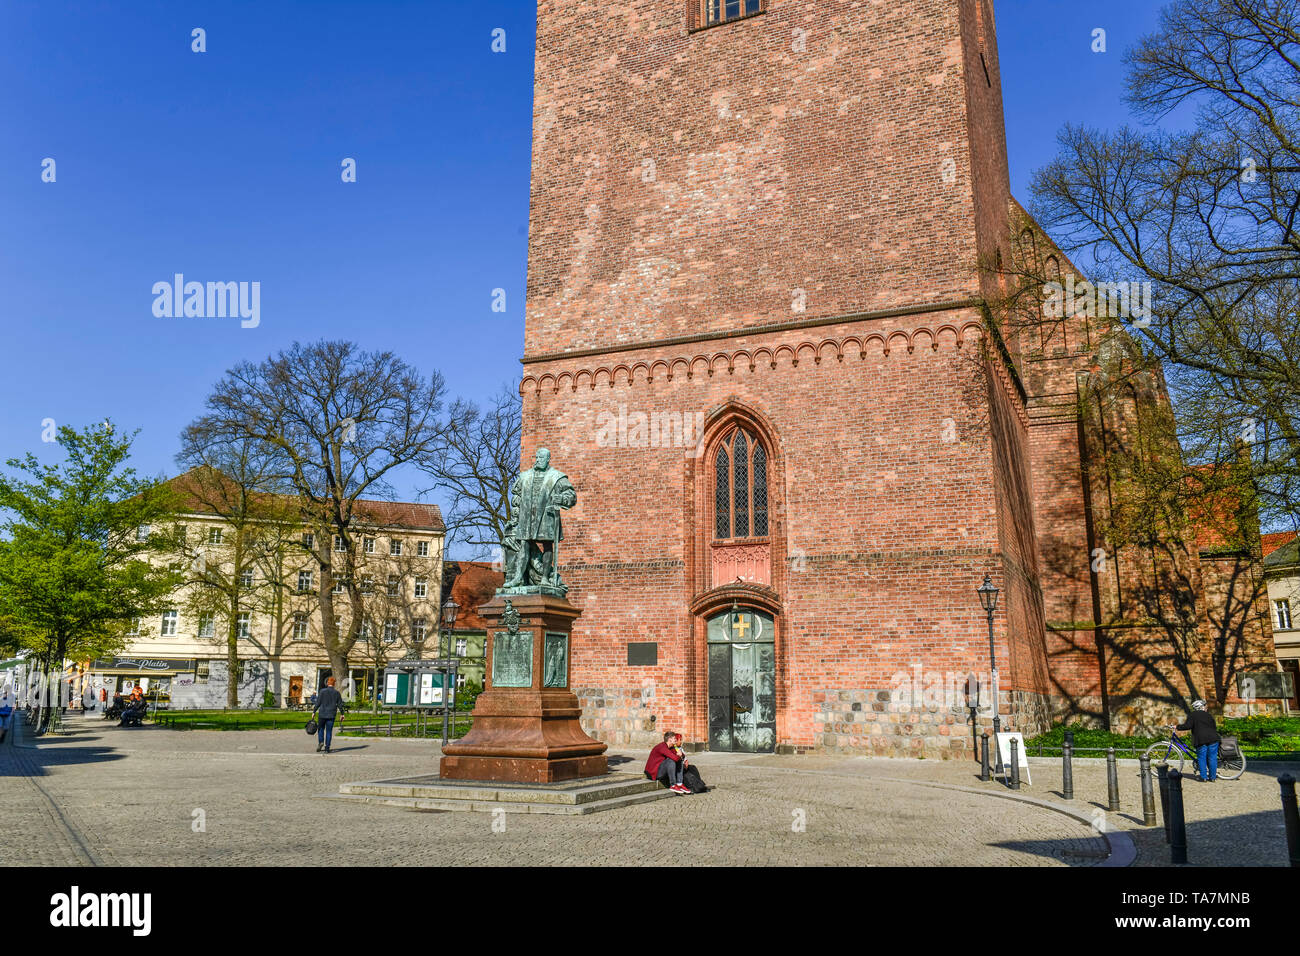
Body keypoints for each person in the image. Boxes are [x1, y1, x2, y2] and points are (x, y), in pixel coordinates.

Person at [1170, 699, 1221, 783]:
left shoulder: (1193, 715)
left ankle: (1204, 777)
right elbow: (1214, 727)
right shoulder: (1209, 715)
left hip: (1201, 739)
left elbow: (1188, 726)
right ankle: (1213, 777)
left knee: (1202, 758)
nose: (1205, 707)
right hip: (1213, 738)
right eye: (1204, 706)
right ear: (1201, 707)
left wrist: (1177, 727)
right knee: (1212, 758)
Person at [313, 677, 345, 754]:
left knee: (320, 729)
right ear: (334, 684)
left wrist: (314, 711)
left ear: (327, 683)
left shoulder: (322, 691)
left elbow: (318, 702)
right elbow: (340, 704)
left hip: (322, 714)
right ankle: (327, 747)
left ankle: (321, 742)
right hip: (331, 714)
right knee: (329, 731)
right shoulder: (337, 693)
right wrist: (342, 714)